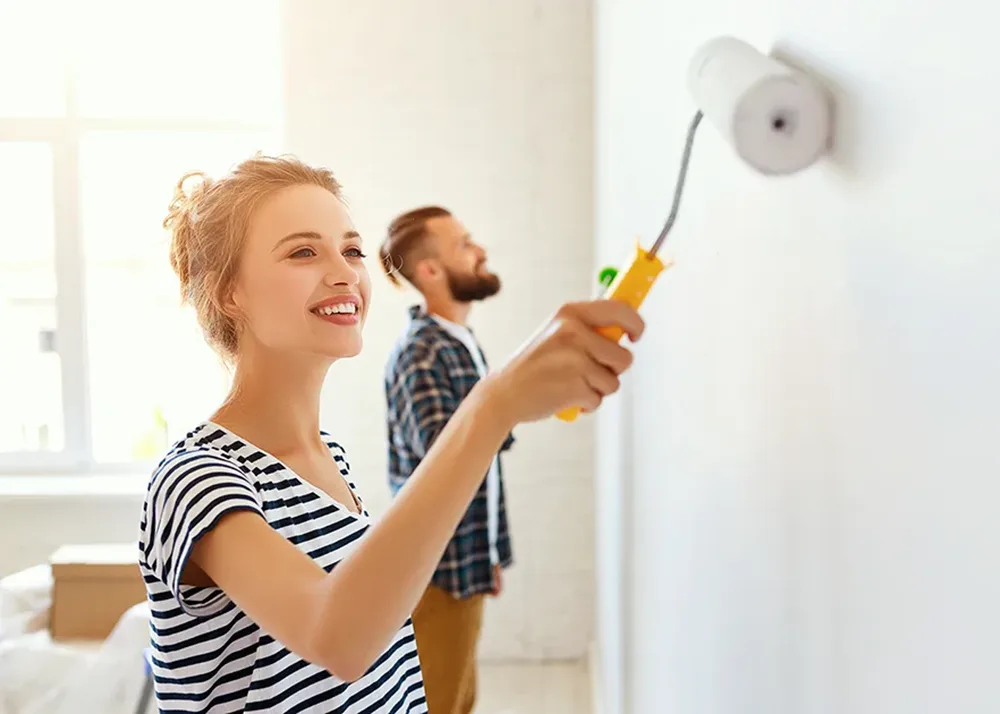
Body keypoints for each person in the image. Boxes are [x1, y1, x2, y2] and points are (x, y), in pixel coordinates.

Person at [137, 154, 644, 714]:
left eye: (351, 250)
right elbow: (337, 641)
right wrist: (492, 406)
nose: (345, 272)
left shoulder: (328, 455)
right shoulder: (194, 479)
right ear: (229, 292)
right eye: (304, 251)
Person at [378, 206, 513, 714]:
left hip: (463, 557)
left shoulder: (460, 343)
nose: (479, 252)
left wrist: (490, 552)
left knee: (458, 694)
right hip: (435, 568)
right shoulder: (422, 355)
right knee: (438, 700)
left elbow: (482, 472)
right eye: (464, 244)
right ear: (429, 272)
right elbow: (449, 459)